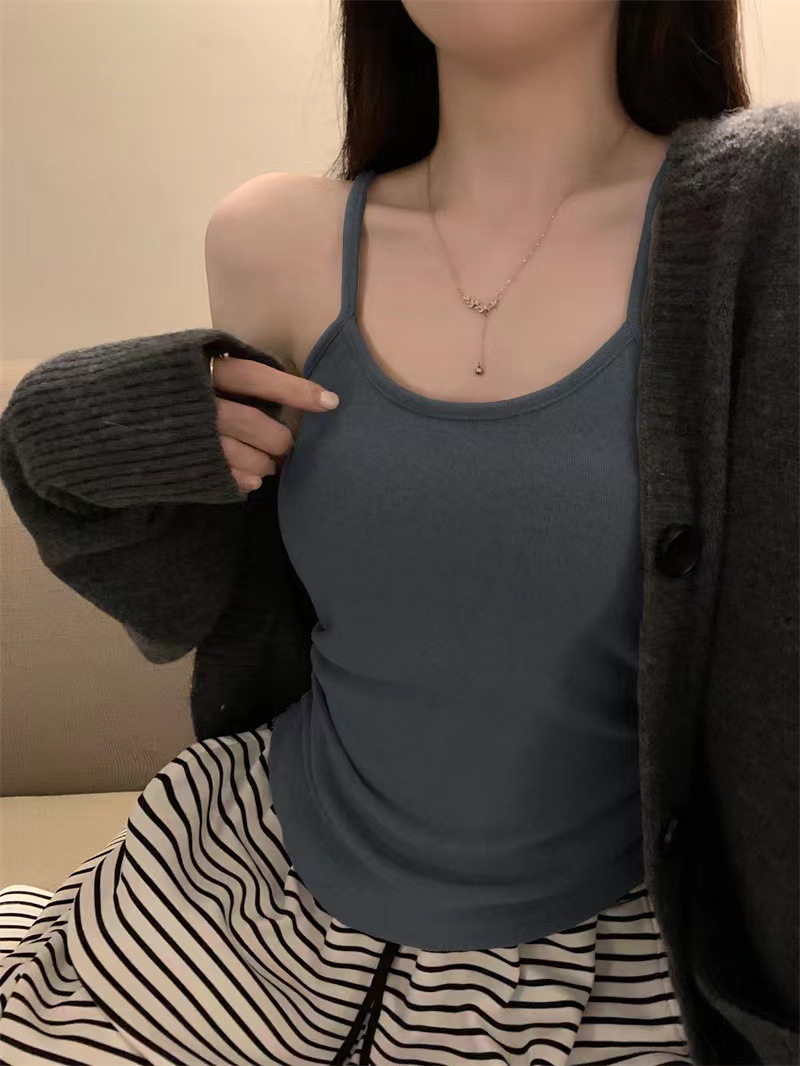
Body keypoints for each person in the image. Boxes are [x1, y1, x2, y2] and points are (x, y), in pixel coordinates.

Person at [0, 1, 797, 1064]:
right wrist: (70, 425)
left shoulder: (759, 236)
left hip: (624, 960)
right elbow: (190, 595)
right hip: (252, 908)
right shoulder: (272, 238)